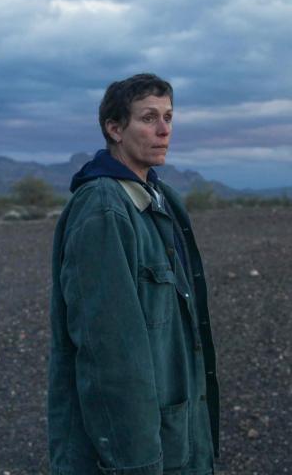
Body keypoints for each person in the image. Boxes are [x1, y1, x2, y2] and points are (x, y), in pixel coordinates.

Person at [48, 73, 219, 475]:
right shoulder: (104, 209)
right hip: (136, 453)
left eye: (169, 117)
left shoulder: (161, 198)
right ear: (114, 128)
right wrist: (137, 463)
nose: (164, 130)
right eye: (148, 118)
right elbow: (109, 355)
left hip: (175, 439)